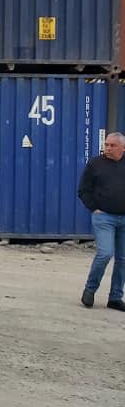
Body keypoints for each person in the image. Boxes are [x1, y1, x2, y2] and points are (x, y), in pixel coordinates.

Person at [78, 132, 125, 311]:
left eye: (113, 145)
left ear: (123, 148)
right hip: (104, 217)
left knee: (123, 259)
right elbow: (83, 190)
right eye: (106, 145)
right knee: (105, 253)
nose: (108, 148)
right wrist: (94, 208)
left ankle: (115, 297)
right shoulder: (95, 164)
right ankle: (90, 290)